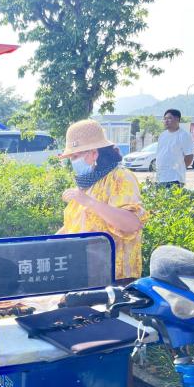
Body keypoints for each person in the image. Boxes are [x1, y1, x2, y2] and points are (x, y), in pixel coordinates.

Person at [57, 119, 147, 282]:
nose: (72, 161)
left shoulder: (120, 177)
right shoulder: (89, 182)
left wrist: (90, 202)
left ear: (94, 153)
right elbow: (78, 222)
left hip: (115, 279)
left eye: (75, 156)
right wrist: (49, 242)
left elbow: (132, 224)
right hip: (87, 275)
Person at [156, 109, 194, 188]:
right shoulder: (162, 135)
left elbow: (189, 156)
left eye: (169, 118)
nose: (166, 121)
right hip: (160, 177)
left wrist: (179, 168)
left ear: (177, 119)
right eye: (165, 118)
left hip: (175, 178)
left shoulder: (183, 135)